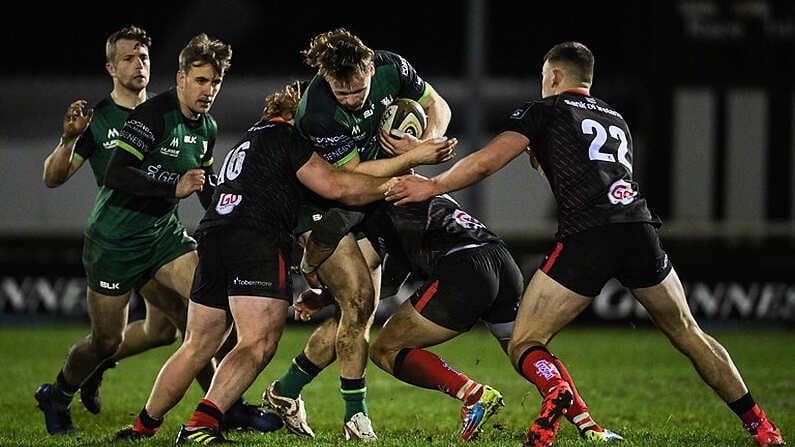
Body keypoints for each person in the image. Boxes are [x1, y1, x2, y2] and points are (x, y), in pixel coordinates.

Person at [384, 41, 786, 447]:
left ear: (555, 76)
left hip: (589, 235)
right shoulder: (616, 118)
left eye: (544, 77)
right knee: (689, 332)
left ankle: (555, 392)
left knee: (525, 342)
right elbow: (587, 175)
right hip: (638, 227)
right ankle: (761, 426)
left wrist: (431, 184)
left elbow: (487, 160)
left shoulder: (544, 110)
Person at [114, 81, 455, 444]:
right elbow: (337, 187)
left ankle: (143, 427)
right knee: (257, 342)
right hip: (255, 238)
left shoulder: (250, 138)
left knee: (198, 343)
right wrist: (398, 179)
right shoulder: (290, 138)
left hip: (213, 233)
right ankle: (201, 424)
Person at [36, 31, 277, 437]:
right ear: (181, 78)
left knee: (210, 316)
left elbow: (200, 182)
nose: (209, 90)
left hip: (164, 237)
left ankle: (223, 406)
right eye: (202, 80)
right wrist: (173, 186)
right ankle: (58, 394)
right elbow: (115, 174)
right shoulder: (142, 117)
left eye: (215, 82)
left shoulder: (206, 126)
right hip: (114, 242)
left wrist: (232, 222)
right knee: (106, 341)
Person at [294, 190, 625, 443]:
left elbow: (331, 230)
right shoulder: (429, 192)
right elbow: (392, 282)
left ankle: (473, 395)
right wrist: (326, 297)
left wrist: (310, 269)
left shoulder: (379, 197)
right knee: (525, 346)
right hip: (502, 260)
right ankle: (588, 424)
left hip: (464, 269)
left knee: (384, 349)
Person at [262, 27, 453, 441]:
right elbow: (348, 179)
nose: (350, 99)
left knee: (358, 314)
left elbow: (437, 105)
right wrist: (415, 158)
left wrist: (426, 137)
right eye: (341, 92)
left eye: (357, 90)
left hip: (371, 200)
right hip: (322, 205)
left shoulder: (390, 65)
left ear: (370, 66)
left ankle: (284, 393)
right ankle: (356, 418)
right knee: (360, 300)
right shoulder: (316, 110)